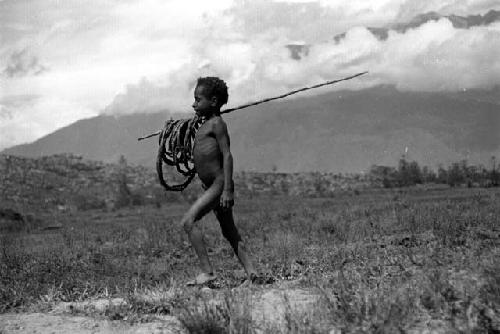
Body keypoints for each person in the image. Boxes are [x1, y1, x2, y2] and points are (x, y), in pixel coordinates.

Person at [183, 76, 257, 286]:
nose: (194, 104)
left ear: (213, 102)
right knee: (228, 230)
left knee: (189, 222)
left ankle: (207, 272)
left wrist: (227, 190)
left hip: (219, 184)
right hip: (210, 185)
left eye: (198, 100)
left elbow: (227, 155)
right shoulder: (204, 125)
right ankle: (253, 272)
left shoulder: (217, 124)